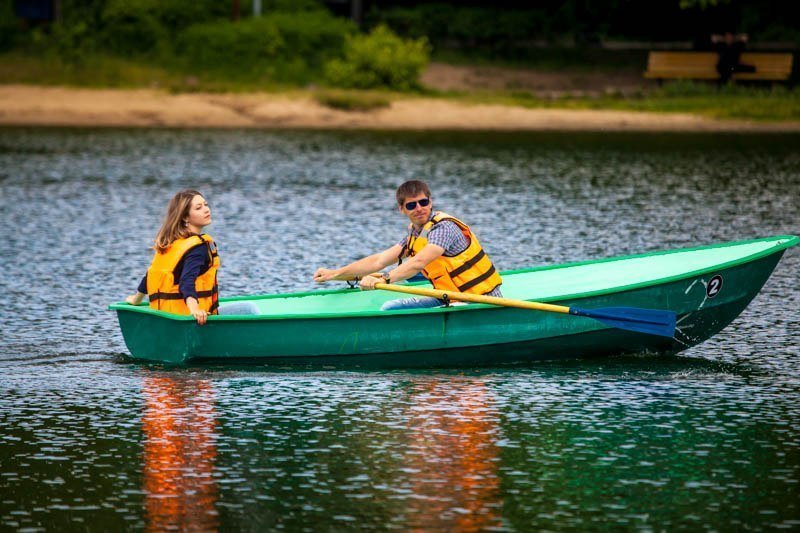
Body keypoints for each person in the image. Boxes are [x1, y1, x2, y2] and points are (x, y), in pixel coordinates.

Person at [313, 180, 502, 310]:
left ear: (430, 202)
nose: (419, 208)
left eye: (423, 202)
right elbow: (379, 261)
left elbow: (418, 262)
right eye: (411, 205)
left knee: (398, 294)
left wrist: (384, 280)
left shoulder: (444, 228)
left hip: (480, 299)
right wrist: (335, 273)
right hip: (450, 295)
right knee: (391, 306)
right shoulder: (416, 233)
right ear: (402, 209)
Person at [125, 189, 256, 324]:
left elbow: (150, 276)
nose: (206, 210)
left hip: (165, 318)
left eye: (206, 204)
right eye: (198, 208)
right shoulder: (197, 248)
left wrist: (136, 299)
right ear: (185, 217)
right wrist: (195, 310)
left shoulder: (170, 243)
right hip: (190, 318)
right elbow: (186, 281)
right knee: (248, 308)